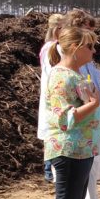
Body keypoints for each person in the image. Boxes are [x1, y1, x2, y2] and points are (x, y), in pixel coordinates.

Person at [45, 26, 100, 199]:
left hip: (82, 149)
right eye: (89, 46)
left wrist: (99, 113)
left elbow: (85, 108)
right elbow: (63, 120)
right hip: (68, 150)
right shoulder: (61, 77)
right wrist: (93, 106)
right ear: (77, 49)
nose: (93, 50)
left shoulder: (76, 73)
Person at [63, 9, 100, 199]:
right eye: (90, 36)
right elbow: (68, 112)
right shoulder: (64, 71)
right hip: (75, 138)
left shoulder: (84, 63)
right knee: (69, 194)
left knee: (84, 184)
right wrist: (95, 109)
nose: (94, 48)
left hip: (88, 132)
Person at [38, 13, 64, 183]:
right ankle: (50, 170)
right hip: (55, 93)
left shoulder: (46, 47)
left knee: (51, 130)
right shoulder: (54, 48)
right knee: (54, 131)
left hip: (50, 92)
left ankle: (50, 169)